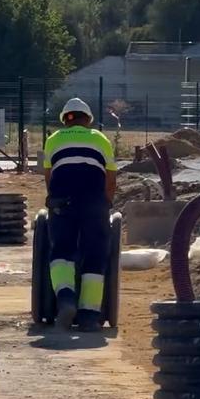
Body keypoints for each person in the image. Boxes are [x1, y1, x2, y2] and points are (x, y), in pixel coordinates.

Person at [42, 97, 117, 332]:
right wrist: (104, 205)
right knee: (95, 254)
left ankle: (65, 298)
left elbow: (49, 176)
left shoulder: (53, 140)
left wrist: (55, 204)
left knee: (61, 251)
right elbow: (110, 180)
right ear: (88, 121)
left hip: (62, 202)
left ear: (66, 119)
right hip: (94, 202)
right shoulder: (101, 139)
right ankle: (88, 315)